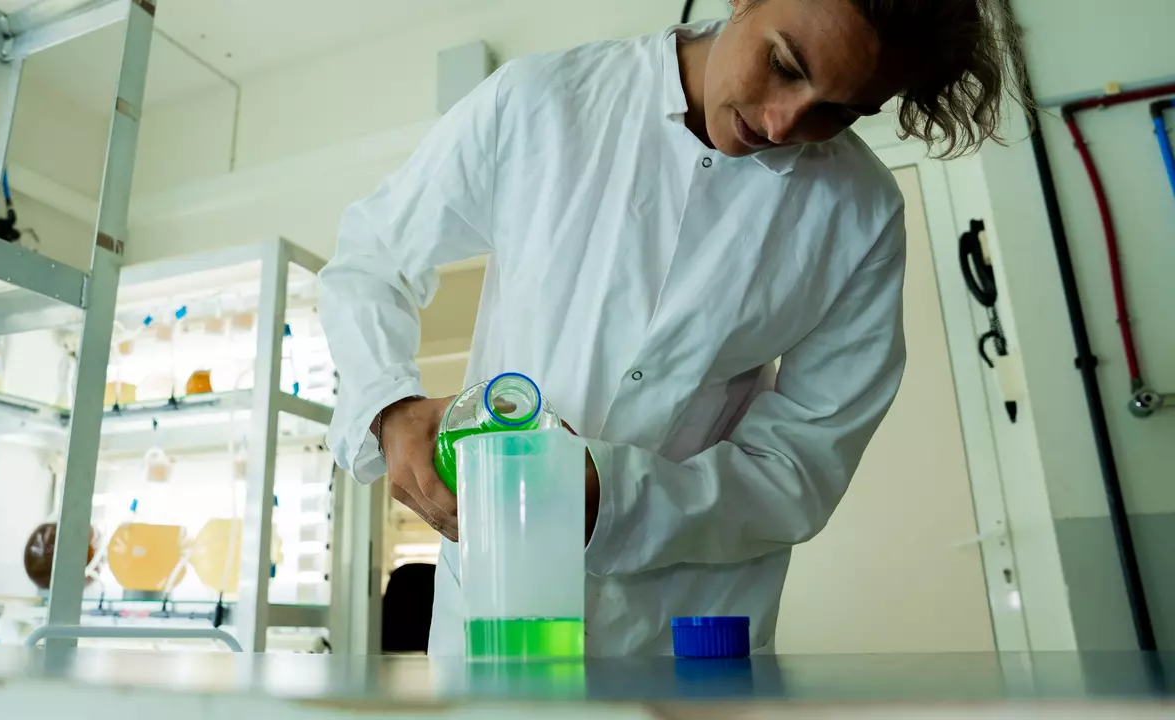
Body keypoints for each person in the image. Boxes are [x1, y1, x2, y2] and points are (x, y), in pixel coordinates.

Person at [319, 0, 1020, 656]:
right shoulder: (540, 101)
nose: (782, 125)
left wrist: (613, 499)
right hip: (497, 600)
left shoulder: (860, 213)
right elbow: (372, 257)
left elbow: (800, 466)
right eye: (783, 64)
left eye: (839, 111)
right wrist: (390, 405)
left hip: (684, 626)